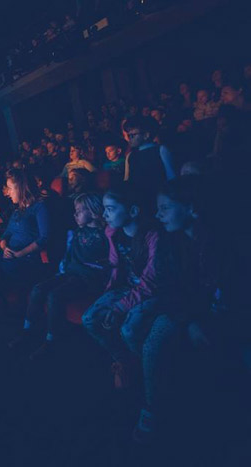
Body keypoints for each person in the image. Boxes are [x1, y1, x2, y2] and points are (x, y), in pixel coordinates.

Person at [133, 176, 226, 442]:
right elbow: (171, 289)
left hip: (223, 309)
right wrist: (190, 321)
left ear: (191, 208)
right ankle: (152, 406)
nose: (158, 215)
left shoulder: (221, 241)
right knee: (153, 342)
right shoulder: (170, 242)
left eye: (165, 208)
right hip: (186, 309)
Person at [81, 187, 165, 389]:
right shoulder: (112, 232)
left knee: (129, 330)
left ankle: (148, 370)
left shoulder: (152, 237)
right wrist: (108, 293)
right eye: (104, 209)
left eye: (110, 209)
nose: (104, 215)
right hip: (127, 288)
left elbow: (150, 282)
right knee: (89, 319)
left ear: (133, 211)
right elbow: (115, 266)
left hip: (151, 293)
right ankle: (123, 360)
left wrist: (119, 306)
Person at [16, 193, 109, 359]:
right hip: (71, 273)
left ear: (93, 212)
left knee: (54, 295)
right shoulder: (77, 232)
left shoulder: (105, 235)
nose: (75, 215)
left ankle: (51, 340)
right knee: (38, 289)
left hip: (87, 279)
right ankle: (27, 330)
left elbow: (105, 264)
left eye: (79, 211)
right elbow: (69, 257)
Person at [123, 116, 176, 204]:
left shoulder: (161, 150)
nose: (129, 139)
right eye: (128, 135)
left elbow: (171, 177)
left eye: (133, 135)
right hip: (138, 199)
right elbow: (127, 180)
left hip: (159, 197)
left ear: (146, 135)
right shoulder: (130, 156)